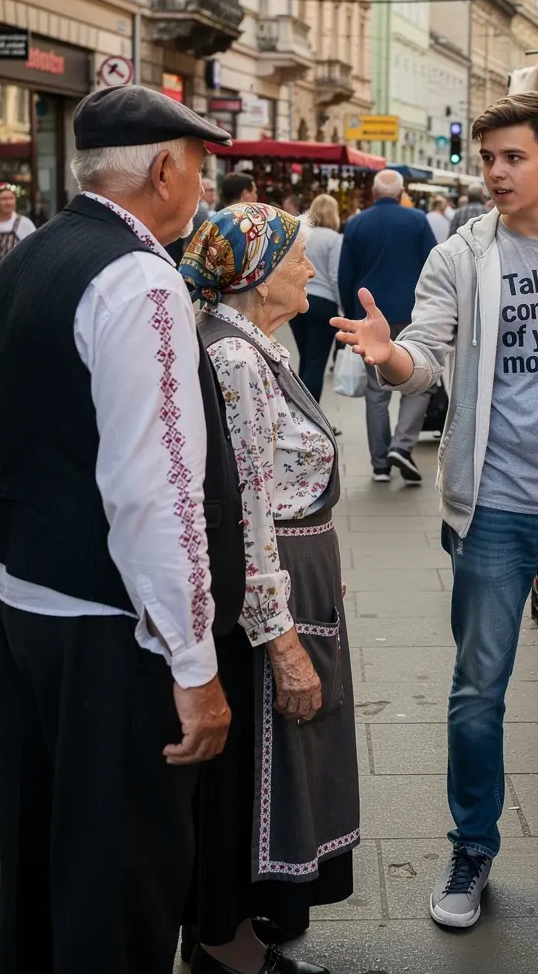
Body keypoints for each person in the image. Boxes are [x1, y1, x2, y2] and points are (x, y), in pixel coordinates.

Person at [333, 91, 538, 929]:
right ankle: (472, 847)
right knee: (478, 688)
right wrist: (390, 358)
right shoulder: (464, 255)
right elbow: (425, 355)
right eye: (488, 158)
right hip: (494, 509)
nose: (495, 173)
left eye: (513, 157)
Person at [0, 85, 246, 974]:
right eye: (198, 165)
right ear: (164, 170)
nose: (202, 184)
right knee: (121, 876)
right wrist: (194, 665)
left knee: (40, 850)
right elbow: (155, 492)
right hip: (104, 624)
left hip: (15, 590)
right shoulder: (140, 277)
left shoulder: (28, 254)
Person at [180, 203, 359, 974]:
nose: (310, 270)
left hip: (296, 572)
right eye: (296, 260)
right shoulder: (237, 360)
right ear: (257, 276)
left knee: (280, 761)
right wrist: (281, 637)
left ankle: (251, 922)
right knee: (259, 765)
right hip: (271, 586)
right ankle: (227, 943)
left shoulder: (257, 347)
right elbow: (247, 506)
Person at [337, 169, 436, 484]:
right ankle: (402, 446)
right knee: (419, 379)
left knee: (376, 390)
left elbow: (345, 275)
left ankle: (380, 463)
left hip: (370, 317)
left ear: (374, 192)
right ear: (401, 192)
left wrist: (352, 315)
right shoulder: (417, 220)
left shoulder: (356, 223)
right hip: (412, 312)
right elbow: (433, 266)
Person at [290, 194, 342, 402]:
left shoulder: (301, 235)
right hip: (324, 303)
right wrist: (342, 306)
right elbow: (335, 275)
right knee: (316, 362)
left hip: (298, 299)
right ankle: (310, 412)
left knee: (304, 357)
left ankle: (298, 407)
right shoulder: (335, 239)